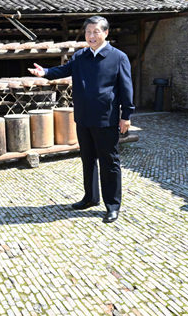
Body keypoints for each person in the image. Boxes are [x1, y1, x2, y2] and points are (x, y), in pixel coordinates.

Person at [28, 16, 133, 223]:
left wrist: (126, 116)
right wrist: (45, 72)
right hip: (84, 117)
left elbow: (126, 89)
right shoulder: (80, 56)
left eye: (95, 32)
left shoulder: (118, 57)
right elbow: (63, 70)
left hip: (106, 118)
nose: (91, 36)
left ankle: (112, 205)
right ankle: (90, 197)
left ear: (105, 33)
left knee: (109, 162)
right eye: (88, 32)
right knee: (87, 160)